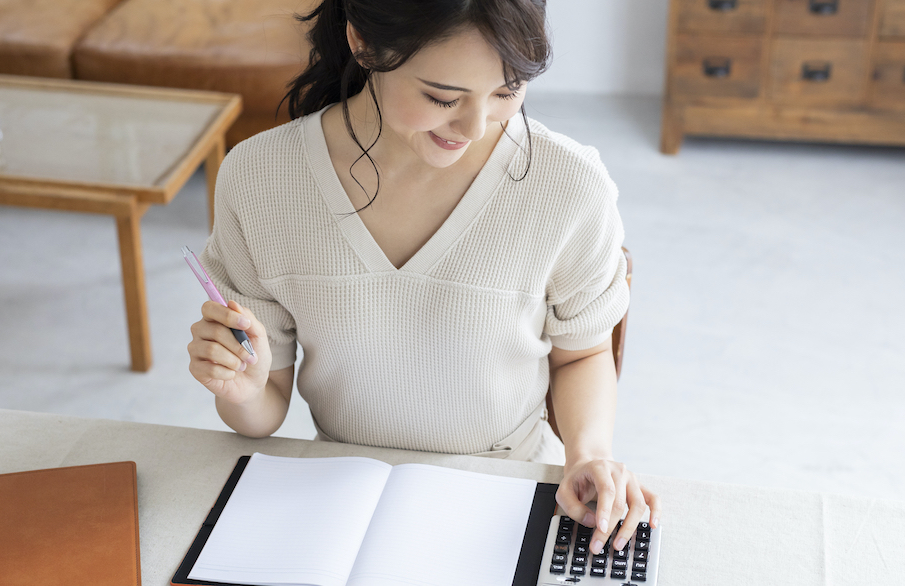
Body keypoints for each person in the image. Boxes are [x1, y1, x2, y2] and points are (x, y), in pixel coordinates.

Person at [186, 0, 660, 554]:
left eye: (507, 92)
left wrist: (588, 455)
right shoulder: (260, 178)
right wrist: (241, 390)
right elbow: (264, 408)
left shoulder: (570, 186)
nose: (476, 126)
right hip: (336, 490)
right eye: (442, 97)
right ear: (363, 42)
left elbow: (581, 354)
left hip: (501, 490)